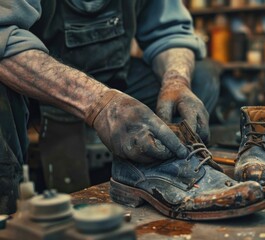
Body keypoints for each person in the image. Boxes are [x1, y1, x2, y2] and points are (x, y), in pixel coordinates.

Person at [0, 0, 219, 214]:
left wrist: (176, 80)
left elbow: (169, 33)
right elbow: (3, 36)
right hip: (39, 86)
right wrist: (99, 103)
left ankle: (160, 174)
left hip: (117, 83)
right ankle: (4, 207)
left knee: (200, 76)